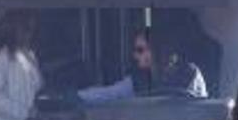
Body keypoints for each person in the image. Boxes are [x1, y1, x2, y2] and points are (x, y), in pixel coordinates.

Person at [78, 28, 208, 103]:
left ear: (157, 50)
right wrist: (73, 96)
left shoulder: (191, 74)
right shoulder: (137, 81)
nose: (135, 55)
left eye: (140, 50)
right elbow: (108, 94)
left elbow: (201, 110)